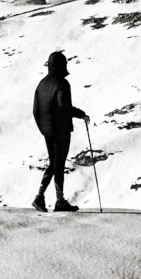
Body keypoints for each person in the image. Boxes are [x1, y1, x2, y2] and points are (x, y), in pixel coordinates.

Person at [31, 50, 88, 212]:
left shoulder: (41, 84)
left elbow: (35, 110)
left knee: (53, 163)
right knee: (59, 164)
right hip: (60, 130)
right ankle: (59, 201)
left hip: (47, 131)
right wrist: (81, 114)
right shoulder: (62, 83)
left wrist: (43, 129)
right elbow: (64, 106)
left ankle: (40, 197)